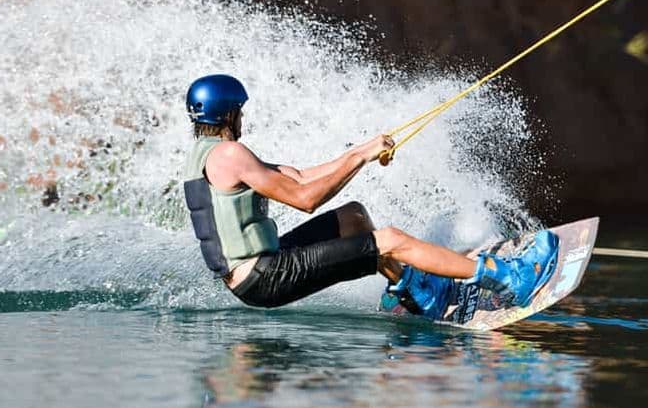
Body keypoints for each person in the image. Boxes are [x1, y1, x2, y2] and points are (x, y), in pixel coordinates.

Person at [182, 74, 558, 318]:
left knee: (353, 217)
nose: (243, 118)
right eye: (240, 112)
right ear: (229, 114)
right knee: (390, 240)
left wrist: (364, 149)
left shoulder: (207, 156)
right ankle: (510, 278)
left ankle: (416, 293)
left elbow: (296, 175)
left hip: (257, 269)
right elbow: (305, 198)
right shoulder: (231, 155)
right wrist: (361, 158)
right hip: (265, 276)